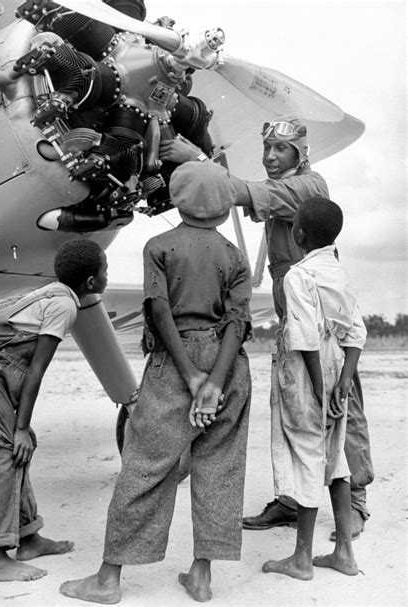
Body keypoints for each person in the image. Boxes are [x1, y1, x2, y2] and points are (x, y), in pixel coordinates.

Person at [159, 115, 374, 541]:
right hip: (289, 306)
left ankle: (356, 501)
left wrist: (199, 161)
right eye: (268, 149)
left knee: (339, 402)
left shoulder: (311, 188)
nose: (271, 157)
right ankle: (294, 499)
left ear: (301, 153)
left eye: (282, 150)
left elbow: (243, 192)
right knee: (292, 406)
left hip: (318, 312)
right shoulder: (285, 187)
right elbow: (249, 193)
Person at [60, 160, 252, 604]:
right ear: (225, 208)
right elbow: (238, 322)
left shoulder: (159, 246)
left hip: (175, 362)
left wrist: (190, 374)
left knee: (145, 465)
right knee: (220, 468)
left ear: (178, 199)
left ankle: (109, 580)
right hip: (230, 367)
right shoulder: (235, 256)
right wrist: (215, 382)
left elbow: (160, 310)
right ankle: (201, 576)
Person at [0, 239, 109, 582]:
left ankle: (28, 538)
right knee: (3, 454)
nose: (107, 275)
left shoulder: (54, 293)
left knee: (19, 450)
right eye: (105, 270)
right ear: (91, 282)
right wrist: (19, 427)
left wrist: (21, 425)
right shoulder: (65, 307)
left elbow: (11, 361)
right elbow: (35, 368)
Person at [262, 196, 364, 580]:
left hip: (310, 368)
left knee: (308, 449)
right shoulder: (339, 272)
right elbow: (356, 332)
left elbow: (304, 338)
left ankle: (302, 559)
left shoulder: (298, 276)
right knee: (333, 456)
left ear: (298, 233)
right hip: (339, 362)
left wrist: (322, 390)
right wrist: (343, 384)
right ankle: (344, 554)